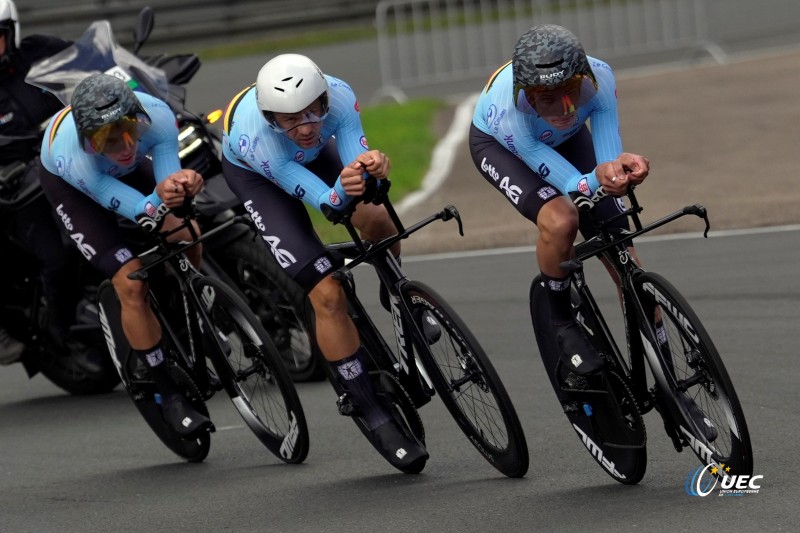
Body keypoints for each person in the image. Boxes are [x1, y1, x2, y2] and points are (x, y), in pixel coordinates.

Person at [469, 24, 715, 440]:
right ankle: (561, 318)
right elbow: (570, 182)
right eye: (548, 97)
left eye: (572, 91)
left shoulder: (600, 80)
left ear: (584, 77)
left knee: (629, 264)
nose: (565, 106)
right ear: (527, 95)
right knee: (562, 219)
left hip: (566, 143)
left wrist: (618, 170)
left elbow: (605, 158)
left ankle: (672, 388)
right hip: (506, 147)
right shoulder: (510, 114)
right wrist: (595, 181)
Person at [221, 53, 428, 471]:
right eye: (289, 119)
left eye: (313, 112)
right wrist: (344, 191)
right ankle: (368, 406)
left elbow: (358, 168)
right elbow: (328, 204)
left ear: (324, 100)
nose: (305, 126)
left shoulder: (341, 95)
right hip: (263, 179)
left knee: (377, 218)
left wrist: (371, 169)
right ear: (270, 117)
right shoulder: (257, 138)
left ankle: (396, 295)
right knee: (327, 293)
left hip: (312, 159)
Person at [38, 73, 213, 437]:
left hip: (121, 175)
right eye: (109, 139)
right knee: (131, 282)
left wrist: (182, 186)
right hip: (79, 189)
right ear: (90, 140)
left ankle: (182, 309)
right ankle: (167, 389)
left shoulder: (158, 116)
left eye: (131, 130)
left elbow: (168, 190)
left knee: (188, 233)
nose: (125, 145)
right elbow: (141, 208)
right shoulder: (77, 159)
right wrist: (164, 202)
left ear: (138, 115)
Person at [0, 0, 76, 364]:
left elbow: (102, 70)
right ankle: (60, 332)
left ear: (10, 33)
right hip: (22, 185)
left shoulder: (43, 51)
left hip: (80, 154)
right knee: (58, 257)